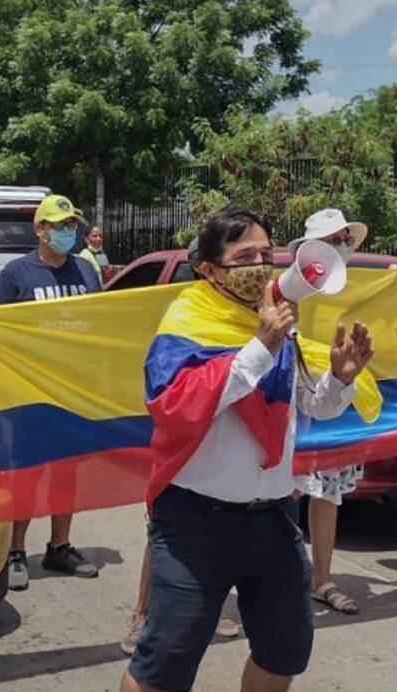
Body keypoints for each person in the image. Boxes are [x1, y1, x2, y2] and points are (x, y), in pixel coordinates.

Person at [122, 206, 373, 692]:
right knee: (162, 668)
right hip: (196, 524)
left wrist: (340, 378)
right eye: (244, 256)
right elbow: (175, 406)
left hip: (274, 520)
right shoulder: (187, 321)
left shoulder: (278, 321)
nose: (260, 265)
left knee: (284, 653)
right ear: (209, 268)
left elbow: (306, 406)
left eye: (265, 253)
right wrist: (260, 346)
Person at [119, 238, 240, 657]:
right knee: (164, 537)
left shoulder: (240, 312)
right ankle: (142, 615)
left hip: (223, 446)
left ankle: (209, 608)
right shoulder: (185, 311)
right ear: (206, 268)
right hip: (180, 441)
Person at [0, 194, 101, 591]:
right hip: (29, 393)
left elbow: (100, 325)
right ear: (39, 230)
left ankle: (60, 546)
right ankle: (16, 550)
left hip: (71, 391)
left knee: (67, 471)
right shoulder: (17, 274)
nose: (66, 232)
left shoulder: (87, 271)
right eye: (58, 226)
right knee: (26, 473)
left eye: (71, 225)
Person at [289, 207, 369, 613]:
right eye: (332, 240)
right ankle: (279, 575)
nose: (341, 247)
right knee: (281, 494)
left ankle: (321, 578)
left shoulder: (364, 289)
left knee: (328, 495)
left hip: (336, 400)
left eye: (344, 240)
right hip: (293, 402)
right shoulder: (291, 288)